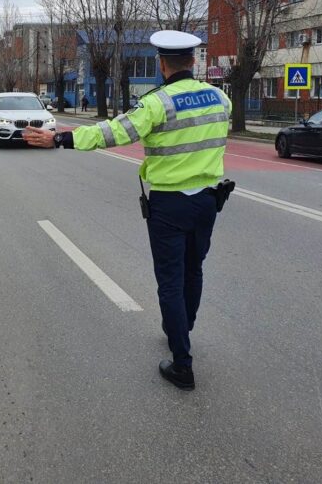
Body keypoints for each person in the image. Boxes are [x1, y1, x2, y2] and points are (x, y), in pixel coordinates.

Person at [23, 30, 232, 391]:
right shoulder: (220, 98)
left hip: (170, 203)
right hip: (207, 202)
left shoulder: (158, 103)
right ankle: (182, 330)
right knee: (193, 270)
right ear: (191, 62)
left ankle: (182, 364)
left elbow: (113, 133)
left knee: (170, 281)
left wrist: (59, 138)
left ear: (163, 64)